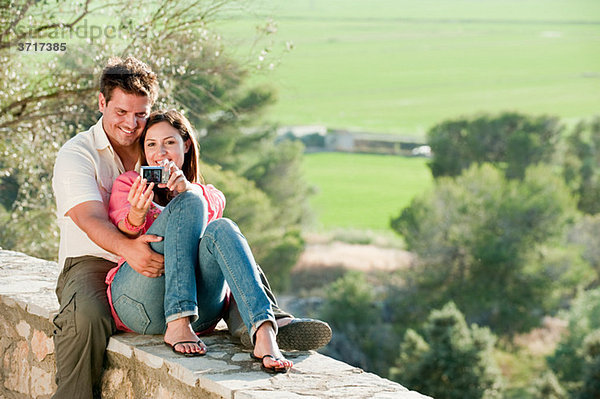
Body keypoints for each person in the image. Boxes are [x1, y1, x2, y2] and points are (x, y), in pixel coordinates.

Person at [51, 56, 330, 398]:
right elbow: (90, 218)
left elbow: (206, 223)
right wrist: (129, 248)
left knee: (219, 232)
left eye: (140, 114)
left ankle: (260, 324)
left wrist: (188, 190)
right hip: (96, 261)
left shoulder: (151, 146)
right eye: (121, 112)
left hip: (165, 263)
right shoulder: (78, 154)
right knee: (87, 319)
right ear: (101, 103)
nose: (131, 123)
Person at [106, 109, 292, 372]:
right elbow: (121, 233)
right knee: (192, 203)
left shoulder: (204, 193)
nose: (160, 152)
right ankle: (177, 321)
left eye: (169, 142)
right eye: (151, 144)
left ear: (186, 145)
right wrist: (136, 213)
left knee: (222, 226)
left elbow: (213, 210)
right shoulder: (129, 184)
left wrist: (186, 190)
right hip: (138, 301)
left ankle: (263, 332)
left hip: (201, 314)